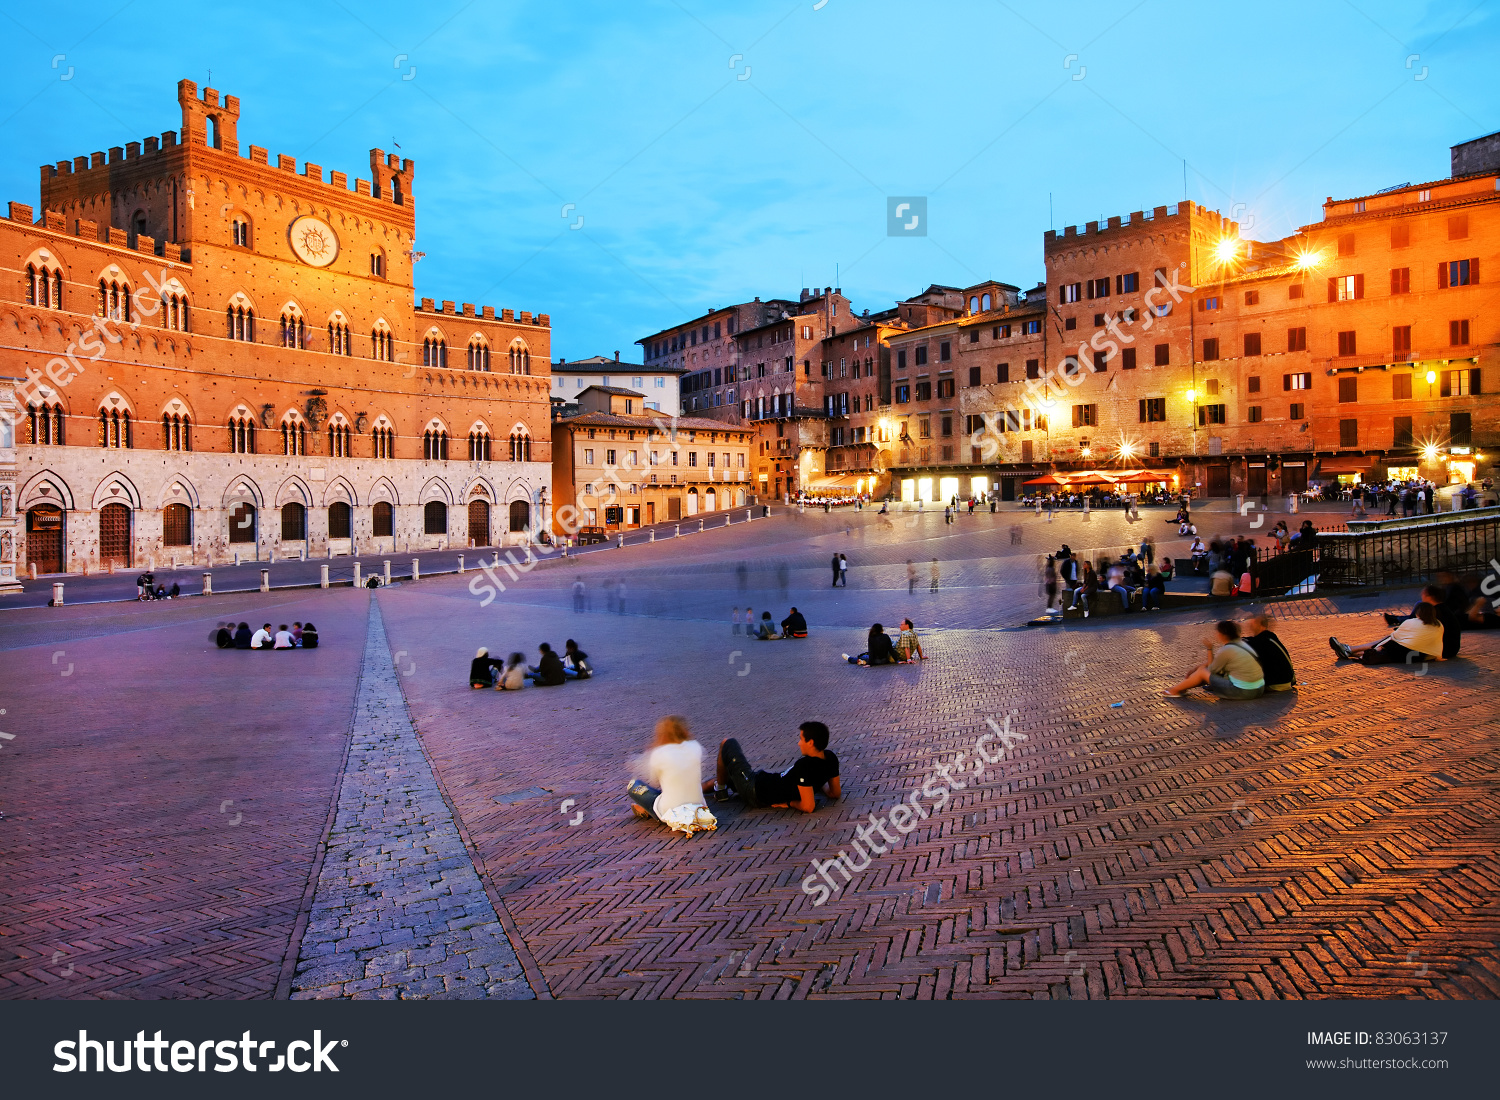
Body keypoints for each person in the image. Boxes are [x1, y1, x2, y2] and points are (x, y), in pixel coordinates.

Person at [706, 721, 840, 812]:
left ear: (810, 742)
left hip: (754, 788)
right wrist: (818, 784)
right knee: (725, 777)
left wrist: (789, 803)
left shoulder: (805, 766)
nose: (799, 743)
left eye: (801, 739)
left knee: (727, 743)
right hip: (760, 783)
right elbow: (835, 793)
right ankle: (715, 788)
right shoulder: (830, 758)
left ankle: (720, 791)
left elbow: (808, 806)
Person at [627, 716, 714, 834]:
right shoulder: (696, 747)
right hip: (699, 808)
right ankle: (648, 808)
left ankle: (649, 810)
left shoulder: (659, 753)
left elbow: (655, 781)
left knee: (634, 785)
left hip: (669, 811)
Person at [1164, 620, 1266, 699]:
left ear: (1222, 634)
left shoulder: (1227, 650)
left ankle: (1175, 690)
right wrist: (1196, 668)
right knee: (1201, 671)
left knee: (1202, 672)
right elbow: (1215, 665)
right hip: (1259, 688)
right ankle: (1181, 688)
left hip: (1245, 692)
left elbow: (1212, 670)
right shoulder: (1241, 644)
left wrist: (1209, 649)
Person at [1330, 602, 1444, 664]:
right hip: (1422, 657)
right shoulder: (1439, 625)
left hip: (1405, 653)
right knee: (1384, 649)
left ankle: (1349, 649)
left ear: (1418, 613)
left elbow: (1394, 637)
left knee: (1385, 642)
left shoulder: (1412, 622)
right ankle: (1347, 650)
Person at [1243, 612, 1295, 691]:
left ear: (1262, 626)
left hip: (1276, 683)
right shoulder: (1270, 638)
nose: (1251, 626)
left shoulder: (1262, 642)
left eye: (1254, 623)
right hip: (1286, 680)